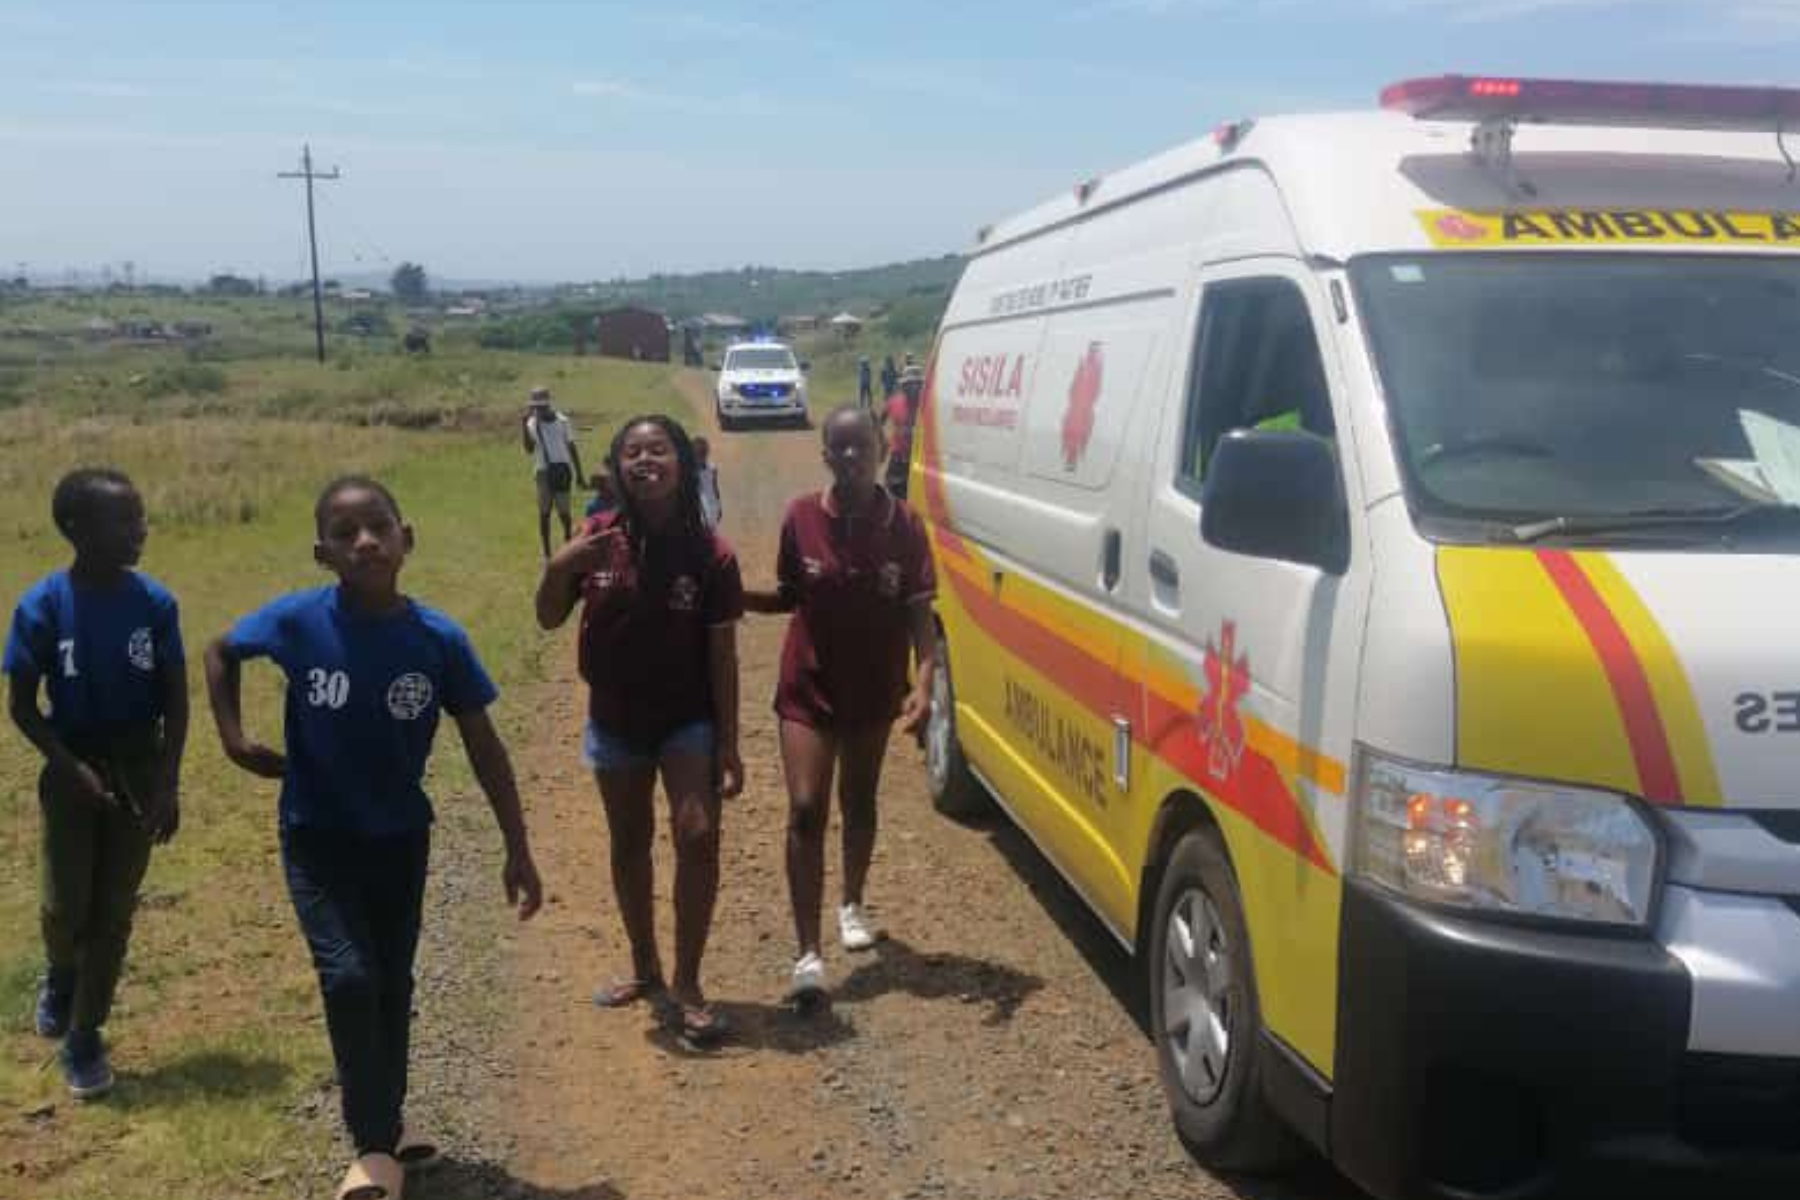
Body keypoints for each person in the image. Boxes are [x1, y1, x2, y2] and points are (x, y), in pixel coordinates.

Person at [204, 476, 543, 1200]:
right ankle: (373, 1149)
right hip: (316, 836)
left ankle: (386, 1117)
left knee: (392, 980)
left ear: (405, 539)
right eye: (344, 533)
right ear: (322, 553)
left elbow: (485, 746)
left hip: (398, 838)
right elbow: (221, 650)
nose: (364, 542)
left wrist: (517, 846)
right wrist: (234, 740)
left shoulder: (438, 641)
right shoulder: (297, 622)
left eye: (378, 527)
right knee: (350, 977)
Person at [535, 416, 743, 1048]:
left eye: (659, 450)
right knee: (629, 842)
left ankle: (688, 982)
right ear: (617, 467)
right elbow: (548, 617)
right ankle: (645, 965)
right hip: (615, 719)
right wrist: (561, 564)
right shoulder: (595, 538)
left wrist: (729, 744)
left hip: (687, 717)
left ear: (683, 464)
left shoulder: (710, 553)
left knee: (697, 836)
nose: (646, 460)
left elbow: (723, 657)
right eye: (633, 452)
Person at [744, 406, 936, 1008]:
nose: (852, 457)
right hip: (808, 685)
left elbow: (919, 614)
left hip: (874, 689)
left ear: (881, 450)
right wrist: (732, 593)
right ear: (825, 453)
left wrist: (924, 682)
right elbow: (788, 594)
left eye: (862, 447)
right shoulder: (801, 516)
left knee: (859, 799)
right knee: (806, 809)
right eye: (841, 448)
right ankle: (808, 955)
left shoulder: (904, 525)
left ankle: (851, 901)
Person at [3, 469, 186, 1101]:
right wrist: (67, 765)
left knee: (113, 909)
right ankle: (60, 973)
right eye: (124, 520)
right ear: (76, 529)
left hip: (137, 766)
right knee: (65, 904)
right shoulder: (43, 606)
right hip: (71, 765)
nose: (140, 530)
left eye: (140, 517)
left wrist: (168, 783)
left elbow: (175, 700)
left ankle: (85, 1036)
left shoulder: (155, 604)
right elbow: (22, 706)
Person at [521, 386, 586, 559]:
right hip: (542, 472)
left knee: (564, 512)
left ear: (548, 404)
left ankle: (568, 542)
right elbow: (529, 449)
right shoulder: (532, 423)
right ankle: (547, 552)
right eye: (535, 407)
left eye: (541, 406)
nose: (538, 410)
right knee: (544, 513)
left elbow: (572, 447)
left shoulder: (562, 421)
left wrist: (579, 474)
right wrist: (523, 427)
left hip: (562, 470)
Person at [883, 364, 925, 499]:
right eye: (909, 384)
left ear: (922, 386)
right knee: (892, 498)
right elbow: (878, 421)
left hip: (920, 463)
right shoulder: (893, 402)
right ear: (903, 386)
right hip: (898, 461)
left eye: (917, 384)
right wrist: (881, 442)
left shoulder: (929, 405)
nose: (913, 388)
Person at [693, 435, 723, 532]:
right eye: (698, 455)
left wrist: (718, 506)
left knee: (710, 532)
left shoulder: (712, 468)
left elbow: (715, 488)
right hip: (696, 510)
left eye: (703, 454)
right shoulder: (689, 471)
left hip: (710, 507)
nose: (701, 458)